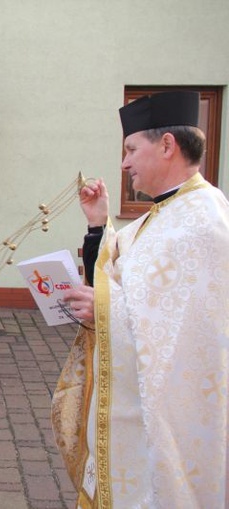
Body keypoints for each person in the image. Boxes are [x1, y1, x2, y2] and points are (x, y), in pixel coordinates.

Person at [57, 91, 229, 507]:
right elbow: (123, 268)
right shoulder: (164, 214)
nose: (124, 162)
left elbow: (181, 333)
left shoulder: (204, 222)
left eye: (131, 149)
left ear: (167, 145)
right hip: (131, 404)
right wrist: (99, 222)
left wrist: (103, 308)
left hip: (164, 421)